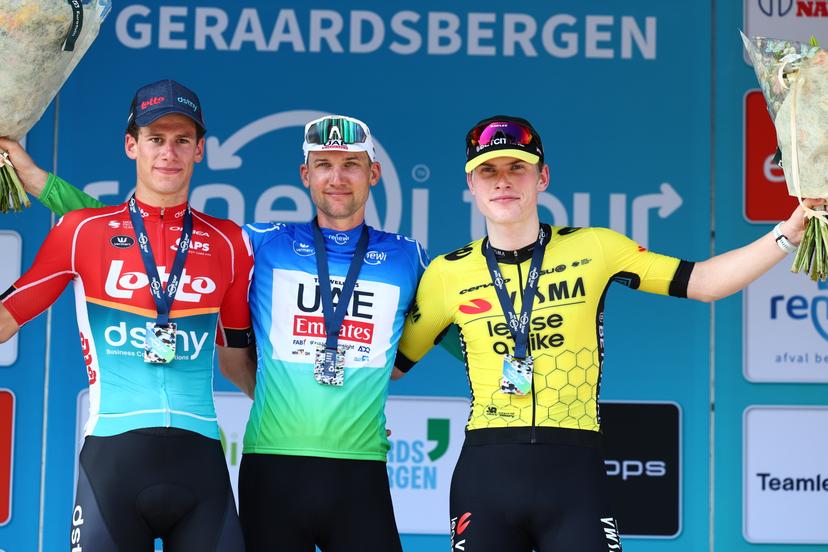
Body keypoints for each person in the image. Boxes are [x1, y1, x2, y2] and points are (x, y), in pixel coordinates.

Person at [393, 115, 823, 552]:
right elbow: (390, 367)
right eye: (489, 170)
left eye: (517, 168)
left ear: (542, 177)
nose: (502, 182)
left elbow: (704, 282)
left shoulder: (595, 247)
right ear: (472, 183)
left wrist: (786, 234)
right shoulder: (446, 274)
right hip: (485, 475)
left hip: (575, 473)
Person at [12, 114, 428, 551]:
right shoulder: (259, 243)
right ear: (305, 175)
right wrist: (41, 183)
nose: (337, 177)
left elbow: (465, 315)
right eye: (324, 164)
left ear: (374, 173)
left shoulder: (409, 257)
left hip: (361, 467)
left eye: (351, 164)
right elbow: (135, 231)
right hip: (272, 464)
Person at [0, 80, 253, 551]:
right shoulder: (83, 232)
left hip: (201, 466)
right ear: (131, 145)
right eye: (156, 138)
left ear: (200, 150)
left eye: (182, 140)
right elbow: (8, 318)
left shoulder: (229, 243)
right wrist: (33, 177)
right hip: (113, 466)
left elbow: (237, 361)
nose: (168, 153)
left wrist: (308, 412)